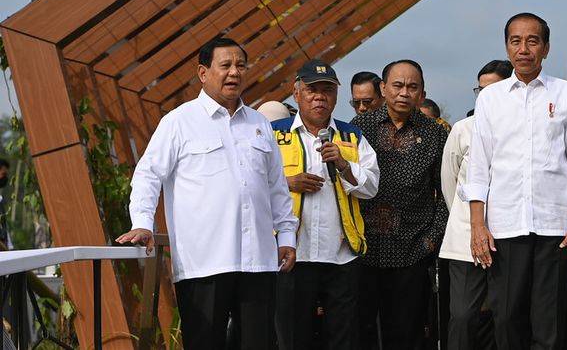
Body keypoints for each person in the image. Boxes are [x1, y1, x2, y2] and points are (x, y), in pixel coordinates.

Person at [117, 37, 298, 350]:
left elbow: (276, 187)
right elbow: (148, 174)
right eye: (225, 65)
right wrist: (143, 222)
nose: (234, 72)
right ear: (203, 73)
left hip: (258, 262)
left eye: (240, 65)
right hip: (203, 264)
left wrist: (286, 237)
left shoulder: (259, 123)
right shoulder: (178, 122)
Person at [461, 13, 567, 350]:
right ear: (508, 47)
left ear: (546, 47)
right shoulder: (491, 98)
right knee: (507, 317)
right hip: (504, 226)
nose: (524, 49)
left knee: (549, 320)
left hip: (555, 225)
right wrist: (477, 226)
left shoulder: (566, 93)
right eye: (516, 41)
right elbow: (479, 166)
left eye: (532, 41)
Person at [272, 60, 380, 350]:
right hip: (293, 254)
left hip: (341, 255)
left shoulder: (351, 136)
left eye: (327, 91)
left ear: (335, 97)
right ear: (296, 94)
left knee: (343, 338)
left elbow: (371, 187)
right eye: (312, 90)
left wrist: (344, 166)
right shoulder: (273, 134)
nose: (320, 97)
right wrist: (287, 183)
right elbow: (250, 184)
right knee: (293, 338)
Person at [353, 60, 448, 350]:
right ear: (384, 88)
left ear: (422, 93)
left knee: (407, 335)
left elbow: (446, 194)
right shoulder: (360, 127)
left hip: (412, 252)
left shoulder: (435, 133)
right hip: (363, 251)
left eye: (412, 86)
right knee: (361, 332)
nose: (404, 92)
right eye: (397, 85)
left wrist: (430, 242)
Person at [439, 59, 513, 350]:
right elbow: (450, 182)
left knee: (506, 316)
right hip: (465, 238)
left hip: (509, 237)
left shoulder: (521, 130)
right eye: (478, 90)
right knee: (463, 315)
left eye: (491, 90)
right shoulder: (463, 129)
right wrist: (470, 220)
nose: (483, 97)